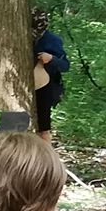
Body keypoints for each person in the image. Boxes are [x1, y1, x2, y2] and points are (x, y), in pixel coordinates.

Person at [32, 7, 69, 138]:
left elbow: (65, 66)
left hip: (45, 87)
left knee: (43, 129)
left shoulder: (53, 40)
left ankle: (47, 157)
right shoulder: (22, 36)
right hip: (24, 85)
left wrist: (51, 59)